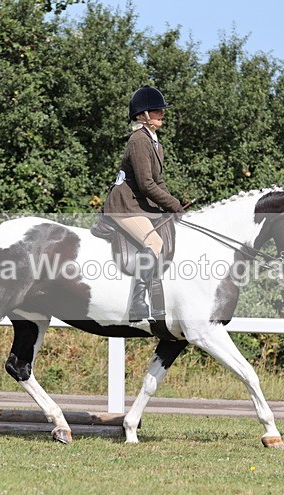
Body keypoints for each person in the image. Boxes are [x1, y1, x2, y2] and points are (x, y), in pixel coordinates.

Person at [103, 85, 184, 322]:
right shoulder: (139, 140)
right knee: (153, 240)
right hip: (124, 205)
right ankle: (138, 302)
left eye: (160, 110)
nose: (162, 113)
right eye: (156, 110)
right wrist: (173, 204)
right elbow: (147, 184)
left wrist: (173, 205)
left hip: (138, 204)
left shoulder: (155, 142)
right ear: (142, 115)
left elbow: (159, 181)